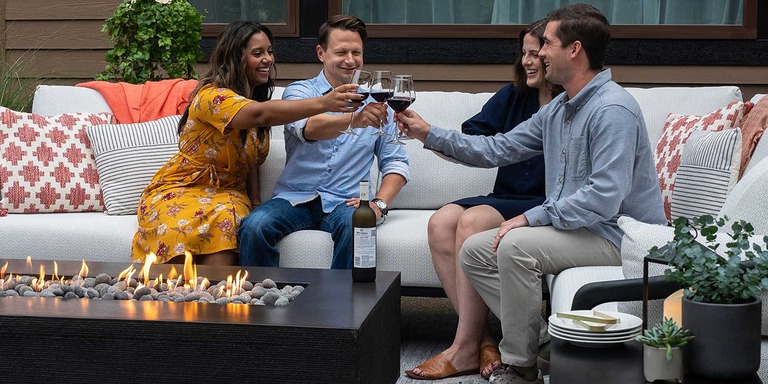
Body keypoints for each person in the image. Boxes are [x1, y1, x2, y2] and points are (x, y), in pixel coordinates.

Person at [397, 4, 666, 383]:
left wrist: (529, 217)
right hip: (582, 227)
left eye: (547, 44)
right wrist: (427, 132)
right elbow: (498, 149)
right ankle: (543, 343)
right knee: (475, 250)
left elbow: (604, 197)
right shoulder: (561, 107)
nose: (538, 53)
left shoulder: (612, 109)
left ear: (574, 50)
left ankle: (519, 366)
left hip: (619, 233)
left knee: (515, 245)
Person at [406, 19, 563, 381]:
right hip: (507, 197)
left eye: (535, 53)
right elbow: (472, 145)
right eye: (523, 53)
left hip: (543, 202)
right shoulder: (514, 95)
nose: (527, 61)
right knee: (441, 221)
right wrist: (424, 134)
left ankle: (462, 348)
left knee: (473, 221)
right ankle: (482, 340)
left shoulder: (566, 105)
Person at [132, 21, 363, 265]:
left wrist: (255, 202)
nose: (268, 59)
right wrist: (325, 103)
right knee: (181, 230)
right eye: (257, 53)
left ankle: (226, 296)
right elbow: (259, 115)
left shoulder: (255, 98)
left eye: (270, 51)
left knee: (230, 225)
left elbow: (248, 160)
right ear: (234, 58)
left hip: (229, 194)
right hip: (186, 187)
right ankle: (170, 294)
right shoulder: (213, 96)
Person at [237, 15, 410, 269]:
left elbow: (396, 162)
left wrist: (378, 204)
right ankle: (265, 303)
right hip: (296, 198)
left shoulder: (380, 104)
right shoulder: (300, 93)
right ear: (321, 53)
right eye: (341, 52)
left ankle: (342, 306)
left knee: (358, 226)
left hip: (346, 201)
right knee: (254, 226)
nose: (350, 60)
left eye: (356, 52)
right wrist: (355, 119)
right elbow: (308, 128)